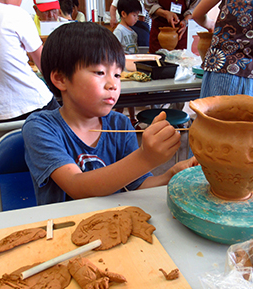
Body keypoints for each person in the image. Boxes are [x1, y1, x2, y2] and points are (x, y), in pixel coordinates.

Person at [22, 22, 198, 205]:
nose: (113, 84)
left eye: (117, 74)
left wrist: (171, 175)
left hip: (112, 222)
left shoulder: (120, 124)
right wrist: (146, 157)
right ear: (60, 79)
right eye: (100, 72)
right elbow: (76, 186)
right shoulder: (41, 127)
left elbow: (137, 185)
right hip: (64, 226)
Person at [192, 0, 253, 98]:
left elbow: (197, 15)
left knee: (213, 112)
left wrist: (211, 25)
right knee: (250, 112)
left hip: (224, 65)